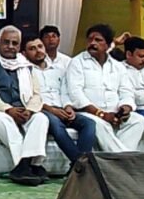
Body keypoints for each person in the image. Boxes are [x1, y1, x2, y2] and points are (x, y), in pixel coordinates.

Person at [64, 24, 144, 152]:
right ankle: (123, 158)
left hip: (115, 113)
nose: (92, 43)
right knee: (99, 124)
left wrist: (125, 107)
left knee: (138, 120)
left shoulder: (117, 66)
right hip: (89, 113)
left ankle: (117, 158)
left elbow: (126, 91)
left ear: (108, 45)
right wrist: (101, 114)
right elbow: (76, 94)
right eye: (90, 39)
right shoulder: (77, 62)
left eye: (98, 40)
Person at [0, 27, 49, 185]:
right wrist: (8, 109)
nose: (10, 46)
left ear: (19, 46)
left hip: (24, 109)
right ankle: (23, 166)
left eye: (15, 43)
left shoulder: (26, 65)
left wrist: (29, 111)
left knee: (41, 118)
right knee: (5, 121)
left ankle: (28, 164)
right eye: (6, 42)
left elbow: (37, 93)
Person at [22, 35, 97, 166]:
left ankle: (79, 165)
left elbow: (65, 91)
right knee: (57, 126)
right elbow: (29, 98)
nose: (38, 51)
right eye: (32, 49)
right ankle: (81, 164)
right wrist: (52, 110)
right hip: (43, 110)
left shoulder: (59, 70)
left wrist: (68, 107)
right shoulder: (24, 73)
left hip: (62, 108)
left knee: (89, 123)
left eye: (40, 46)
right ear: (24, 53)